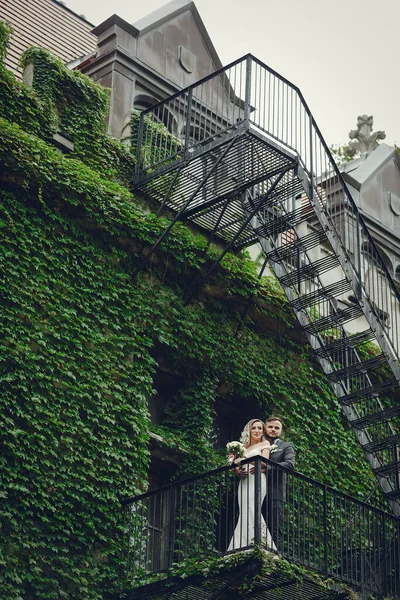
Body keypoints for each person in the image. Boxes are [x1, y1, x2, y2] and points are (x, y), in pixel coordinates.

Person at [227, 419, 277, 552]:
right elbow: (237, 469)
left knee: (253, 509)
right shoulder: (243, 448)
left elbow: (265, 462)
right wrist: (238, 470)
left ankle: (261, 545)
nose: (257, 431)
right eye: (254, 428)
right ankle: (240, 546)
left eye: (260, 428)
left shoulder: (265, 443)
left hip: (257, 479)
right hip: (244, 482)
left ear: (262, 431)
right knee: (244, 511)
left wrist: (244, 460)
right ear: (249, 430)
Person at [263, 416, 295, 553]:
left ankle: (277, 558)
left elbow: (290, 464)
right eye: (270, 427)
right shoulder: (259, 444)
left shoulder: (286, 446)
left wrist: (266, 468)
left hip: (274, 492)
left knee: (275, 528)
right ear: (265, 428)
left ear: (280, 431)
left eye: (277, 428)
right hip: (256, 490)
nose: (273, 430)